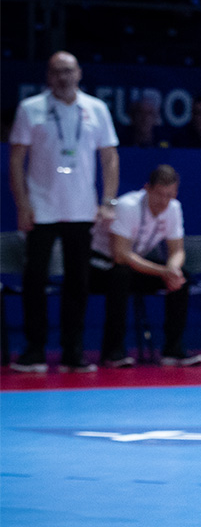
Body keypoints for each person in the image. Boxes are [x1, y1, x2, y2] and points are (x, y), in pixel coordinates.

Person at [9, 51, 119, 373]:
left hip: (81, 208)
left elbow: (109, 157)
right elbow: (16, 159)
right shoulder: (31, 108)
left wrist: (108, 201)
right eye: (57, 71)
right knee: (35, 280)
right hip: (41, 207)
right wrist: (23, 204)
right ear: (48, 75)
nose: (63, 77)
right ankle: (34, 351)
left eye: (69, 70)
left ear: (79, 73)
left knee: (78, 282)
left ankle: (73, 352)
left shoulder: (96, 109)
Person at [89, 164, 201, 367]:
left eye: (170, 195)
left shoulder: (173, 208)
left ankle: (173, 350)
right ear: (147, 189)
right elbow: (121, 255)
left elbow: (177, 250)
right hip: (98, 267)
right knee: (121, 275)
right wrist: (163, 271)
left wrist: (173, 270)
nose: (164, 201)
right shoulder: (127, 206)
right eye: (159, 194)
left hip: (132, 266)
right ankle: (113, 352)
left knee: (181, 278)